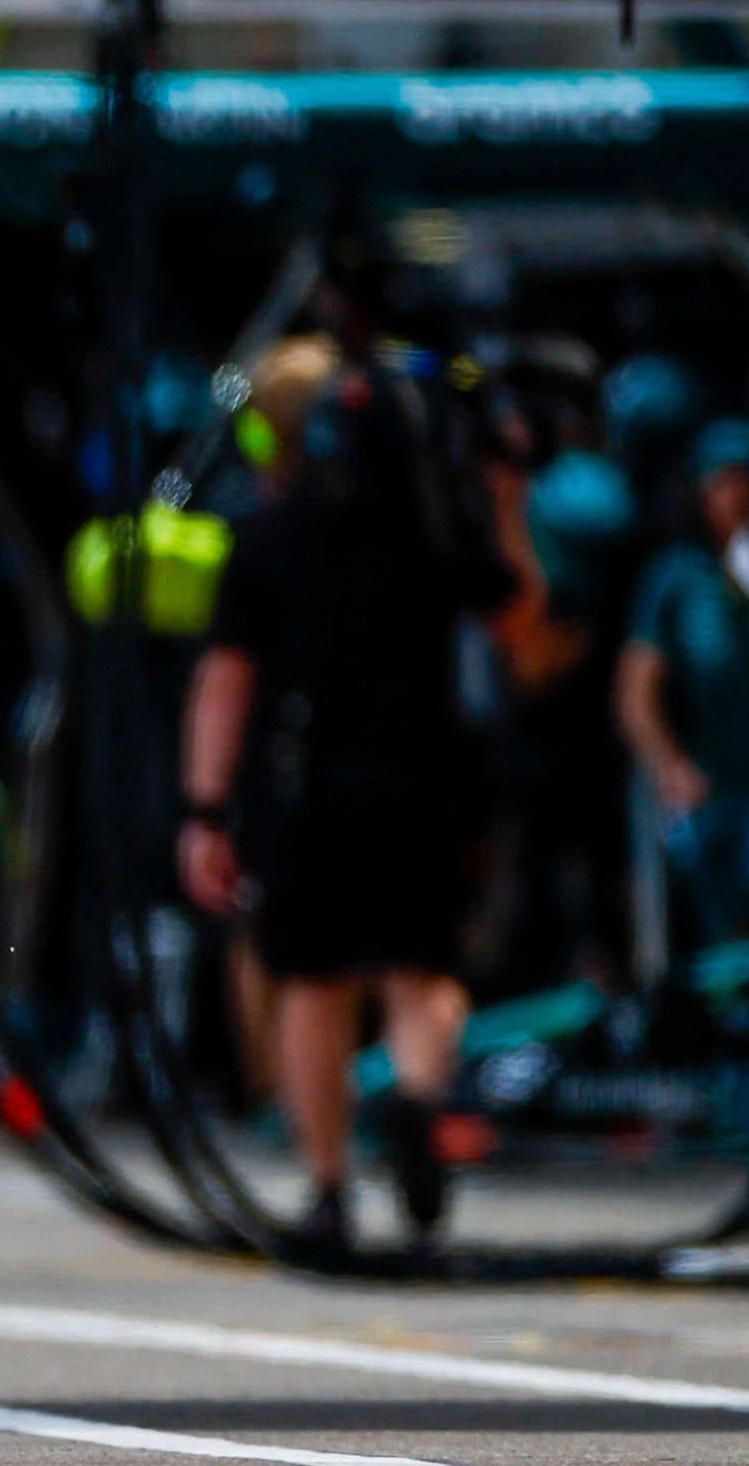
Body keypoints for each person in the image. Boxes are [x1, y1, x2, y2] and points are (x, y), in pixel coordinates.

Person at [178, 331, 517, 1258]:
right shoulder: (429, 524)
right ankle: (413, 1093)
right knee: (423, 976)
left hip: (304, 780)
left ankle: (327, 1185)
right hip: (423, 770)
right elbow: (511, 607)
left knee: (310, 985)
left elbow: (225, 681)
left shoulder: (265, 535)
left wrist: (205, 810)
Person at [613, 422, 749, 949]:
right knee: (708, 930)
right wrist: (670, 767)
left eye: (748, 482)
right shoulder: (678, 578)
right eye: (722, 483)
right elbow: (636, 689)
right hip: (706, 787)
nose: (737, 498)